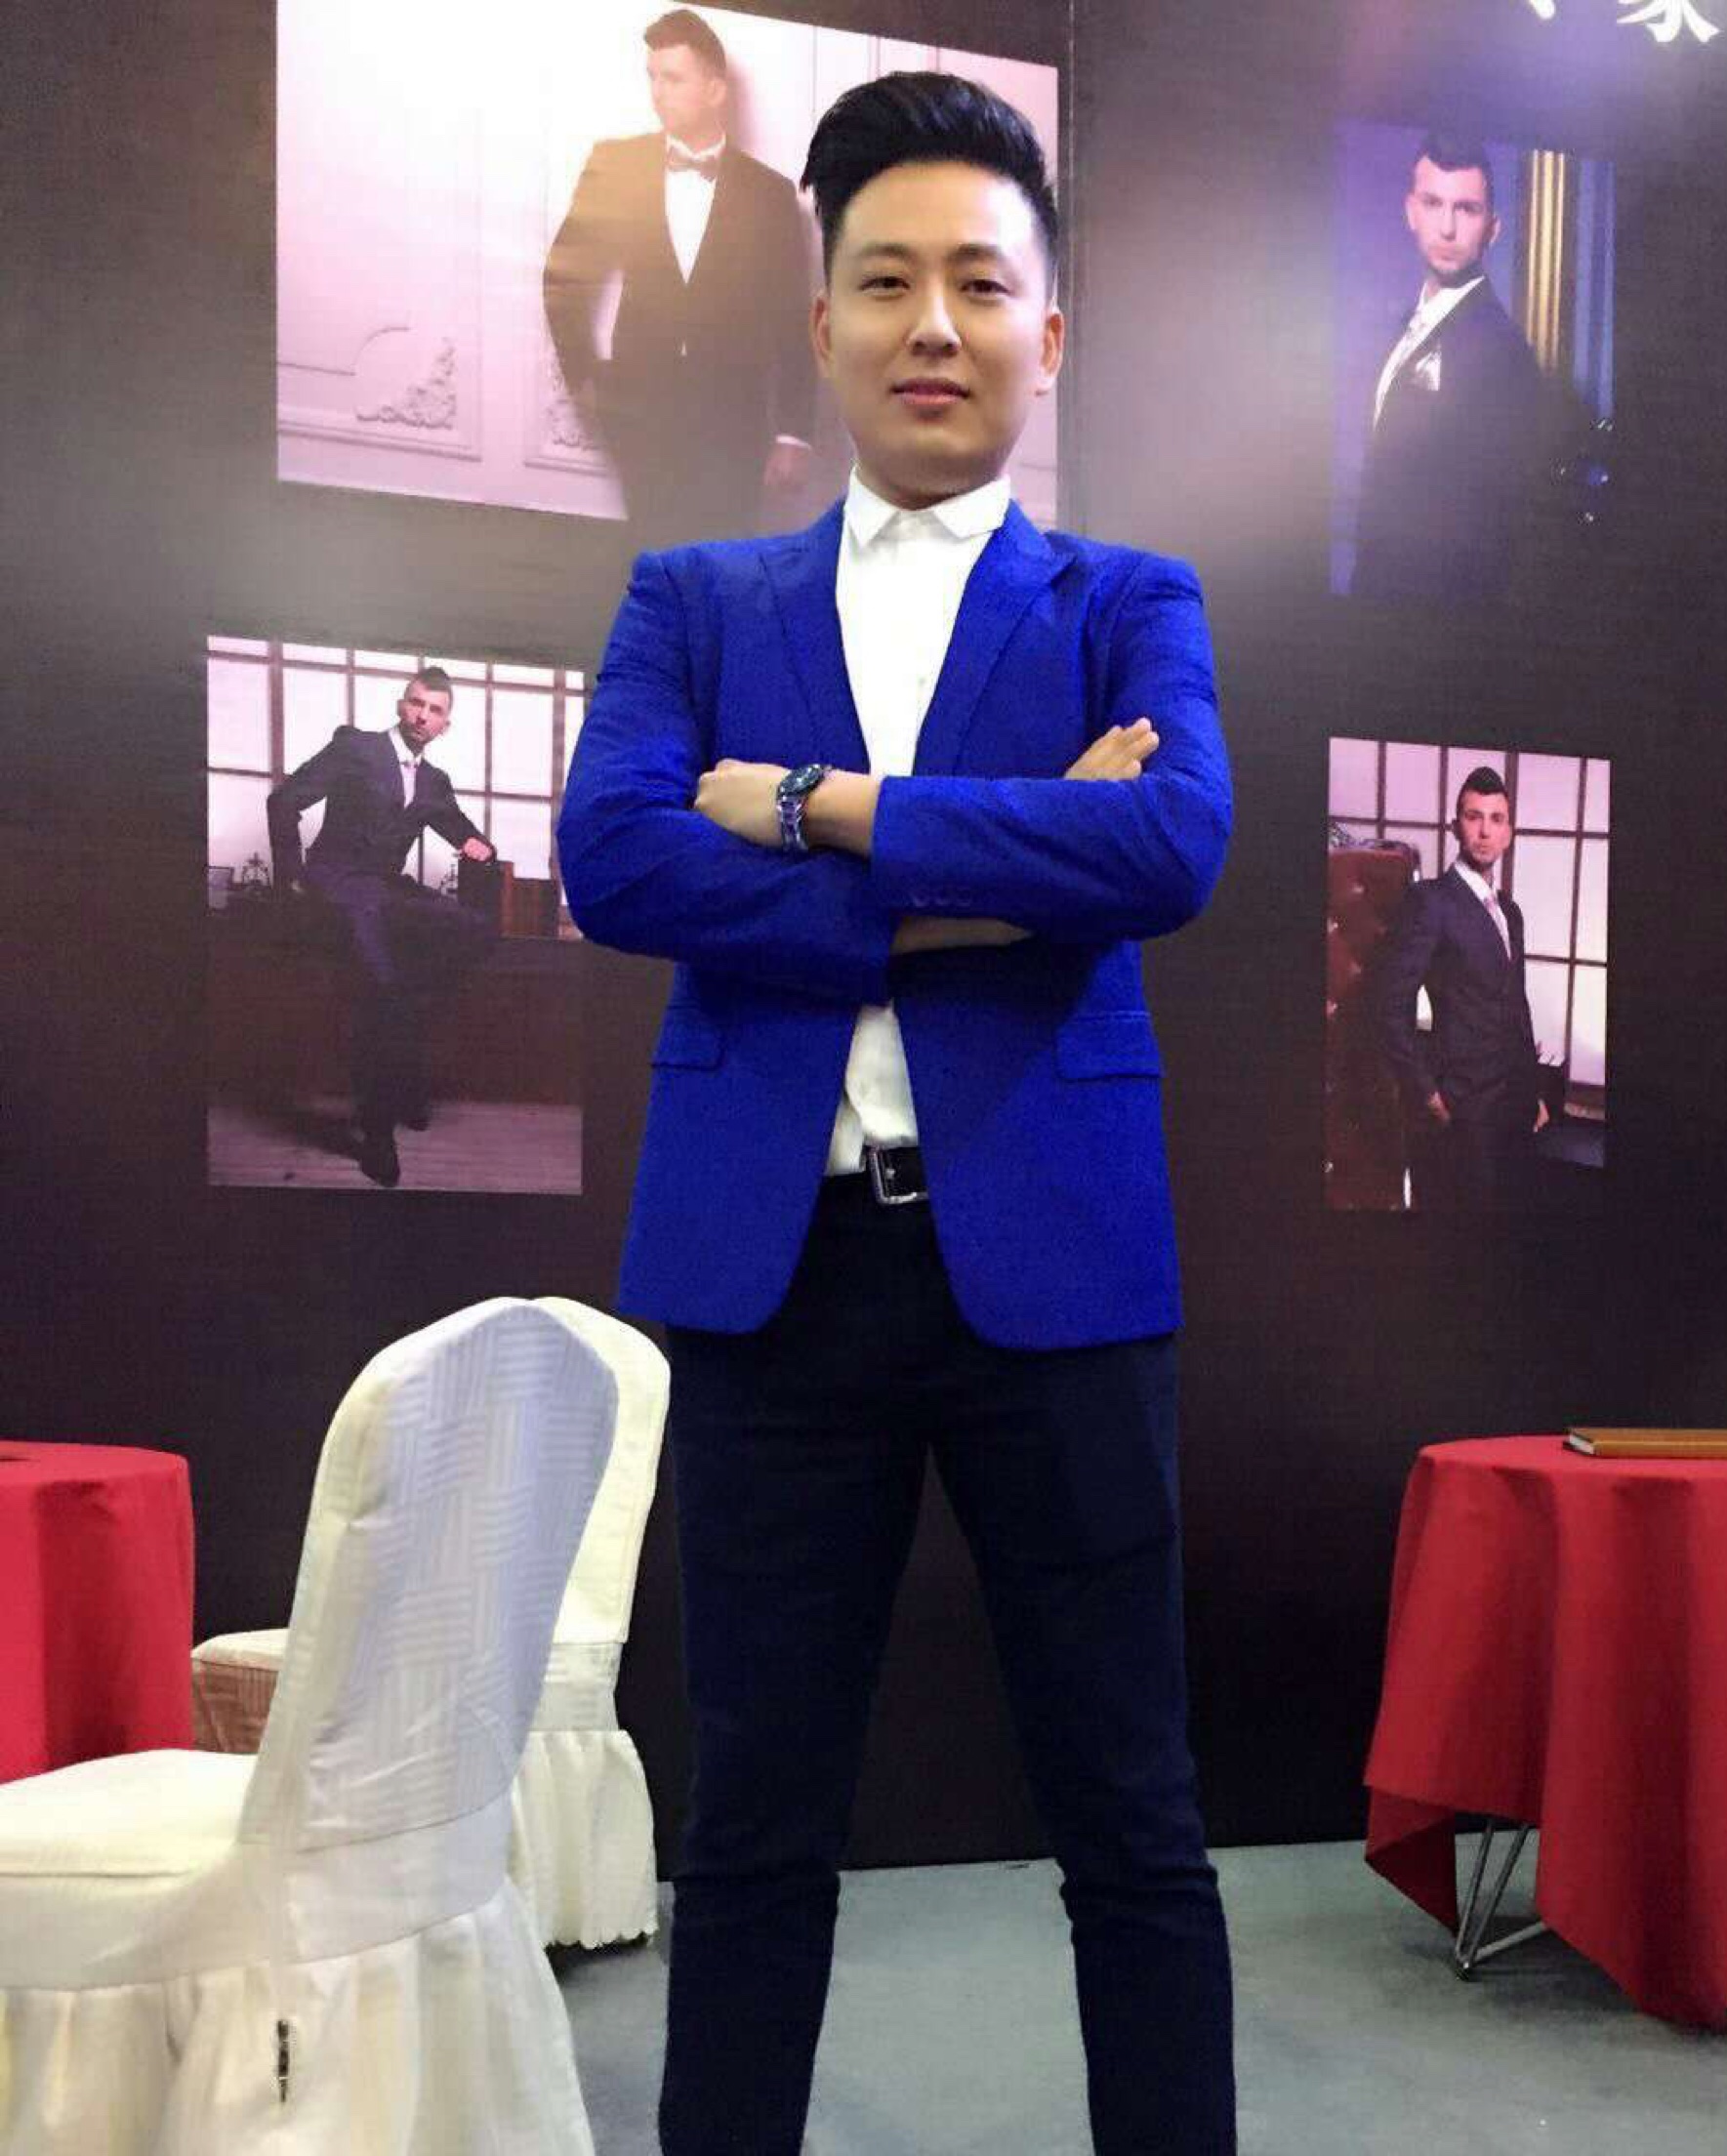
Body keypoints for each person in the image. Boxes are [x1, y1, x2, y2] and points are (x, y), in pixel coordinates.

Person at [557, 72, 1236, 2156]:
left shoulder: (1128, 600)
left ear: (1050, 332)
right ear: (822, 322)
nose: (933, 323)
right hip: (775, 1284)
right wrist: (994, 877)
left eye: (979, 282)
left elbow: (1169, 847)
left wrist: (822, 808)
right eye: (885, 281)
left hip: (1057, 1274)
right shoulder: (695, 600)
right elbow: (618, 862)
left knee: (1132, 1821)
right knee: (755, 1827)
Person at [544, 9, 816, 544]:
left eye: (673, 79)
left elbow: (793, 318)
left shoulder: (769, 194)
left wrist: (793, 432)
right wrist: (586, 376)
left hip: (735, 422)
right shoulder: (616, 165)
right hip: (639, 414)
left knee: (722, 563)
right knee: (649, 558)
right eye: (652, 77)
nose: (657, 93)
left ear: (715, 91)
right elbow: (564, 277)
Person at [265, 667, 497, 1187]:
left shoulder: (434, 782)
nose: (422, 716)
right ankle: (377, 1132)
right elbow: (284, 801)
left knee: (476, 930)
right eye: (416, 703)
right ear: (400, 706)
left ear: (445, 725)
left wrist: (477, 845)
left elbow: (458, 827)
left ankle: (406, 1059)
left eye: (435, 710)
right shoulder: (355, 748)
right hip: (337, 885)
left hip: (386, 892)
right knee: (381, 990)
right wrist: (292, 878)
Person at [1352, 136, 1549, 602]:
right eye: (1433, 203)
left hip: (1431, 609)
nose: (1446, 227)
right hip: (1374, 601)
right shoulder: (1403, 326)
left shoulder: (1501, 349)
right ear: (1411, 212)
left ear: (1492, 228)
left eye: (1466, 209)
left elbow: (1492, 524)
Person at [1371, 767, 1547, 1215]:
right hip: (1462, 1106)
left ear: (1508, 833)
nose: (1484, 831)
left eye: (1496, 819)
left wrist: (1533, 1091)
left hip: (1516, 1103)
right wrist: (1427, 1093)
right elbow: (1389, 1005)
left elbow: (1517, 1006)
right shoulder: (1431, 901)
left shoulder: (1510, 911)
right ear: (1455, 827)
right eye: (1473, 817)